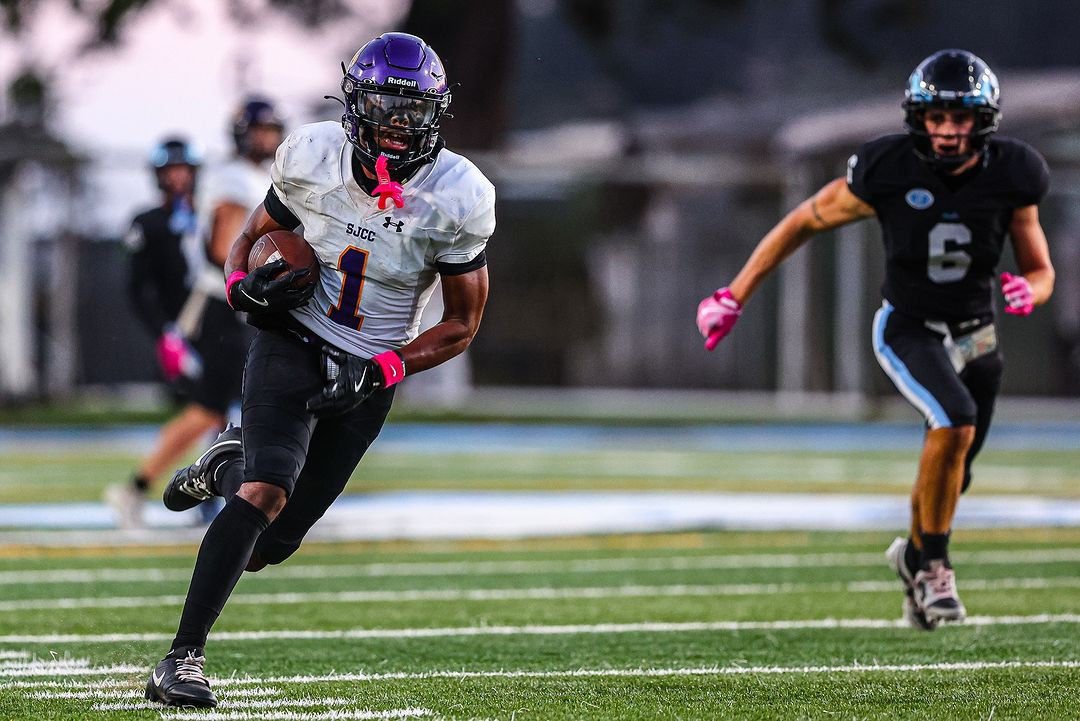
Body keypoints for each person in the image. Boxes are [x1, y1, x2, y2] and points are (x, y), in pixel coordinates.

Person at [143, 32, 495, 708]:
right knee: (266, 491)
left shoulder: (458, 194)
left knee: (273, 542)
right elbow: (247, 239)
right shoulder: (313, 157)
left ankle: (223, 466)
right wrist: (242, 284)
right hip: (295, 336)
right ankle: (181, 658)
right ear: (355, 107)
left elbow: (461, 323)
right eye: (386, 108)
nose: (396, 125)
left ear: (436, 116)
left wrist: (387, 367)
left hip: (371, 367)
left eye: (411, 111)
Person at [696, 49, 1054, 630]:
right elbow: (803, 221)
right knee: (954, 420)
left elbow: (1040, 268)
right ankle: (935, 569)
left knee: (955, 463)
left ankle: (913, 557)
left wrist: (1030, 292)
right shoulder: (887, 167)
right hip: (908, 326)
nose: (947, 131)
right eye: (937, 117)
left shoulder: (1015, 171)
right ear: (919, 117)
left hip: (976, 334)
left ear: (983, 120)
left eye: (960, 118)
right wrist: (734, 293)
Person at [106, 136, 212, 529]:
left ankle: (160, 488)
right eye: (171, 171)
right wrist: (166, 334)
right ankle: (146, 486)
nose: (178, 178)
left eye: (184, 169)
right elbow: (138, 289)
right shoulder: (146, 223)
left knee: (212, 413)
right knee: (210, 412)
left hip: (220, 324)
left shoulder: (212, 213)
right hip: (184, 332)